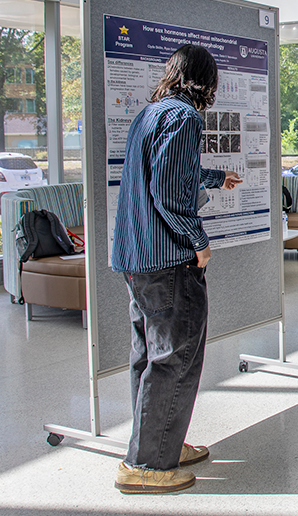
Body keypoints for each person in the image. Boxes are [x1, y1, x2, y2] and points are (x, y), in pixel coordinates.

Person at [111, 44, 242, 493]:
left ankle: (159, 443)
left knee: (149, 356)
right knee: (175, 357)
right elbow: (169, 192)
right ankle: (147, 464)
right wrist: (199, 242)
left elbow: (167, 175)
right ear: (207, 82)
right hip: (168, 260)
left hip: (137, 258)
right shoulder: (185, 117)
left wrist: (213, 178)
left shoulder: (151, 113)